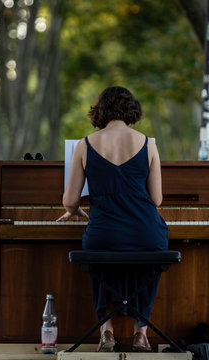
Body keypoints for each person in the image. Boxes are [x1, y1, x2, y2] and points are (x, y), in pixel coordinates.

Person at [57, 86, 168, 352]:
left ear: (101, 110)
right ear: (132, 110)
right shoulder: (148, 144)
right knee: (151, 257)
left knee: (100, 259)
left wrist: (75, 211)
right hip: (145, 232)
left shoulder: (85, 145)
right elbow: (156, 200)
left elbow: (70, 200)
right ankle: (141, 331)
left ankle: (106, 332)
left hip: (104, 232)